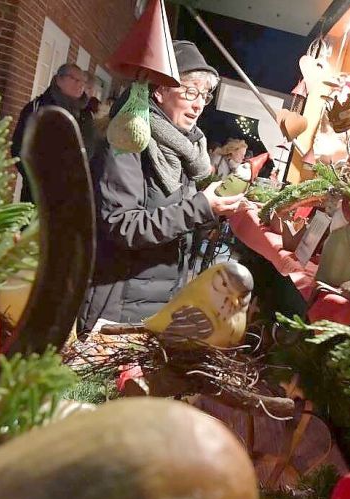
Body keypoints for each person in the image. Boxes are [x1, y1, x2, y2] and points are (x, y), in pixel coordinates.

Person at [78, 40, 248, 334]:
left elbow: (173, 219)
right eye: (189, 91)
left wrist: (216, 206)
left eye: (204, 95)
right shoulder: (127, 141)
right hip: (118, 304)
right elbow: (123, 225)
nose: (198, 104)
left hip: (157, 301)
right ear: (159, 89)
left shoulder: (181, 149)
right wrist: (201, 207)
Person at [10, 64, 96, 202]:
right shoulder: (38, 108)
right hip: (38, 193)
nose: (80, 85)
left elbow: (91, 152)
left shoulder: (86, 115)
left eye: (83, 82)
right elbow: (19, 147)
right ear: (59, 79)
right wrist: (36, 180)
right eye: (75, 79)